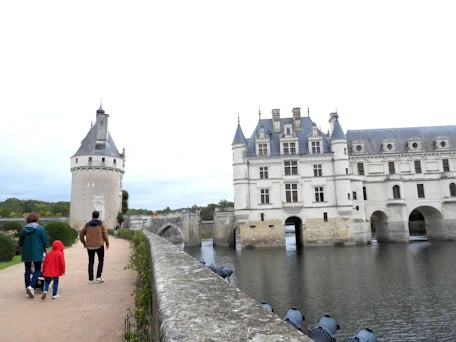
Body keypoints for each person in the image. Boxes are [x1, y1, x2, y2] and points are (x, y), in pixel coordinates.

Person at [19, 212, 48, 298]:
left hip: (26, 252)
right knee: (38, 270)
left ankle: (27, 291)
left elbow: (21, 241)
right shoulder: (40, 229)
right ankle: (31, 286)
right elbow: (45, 241)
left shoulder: (24, 229)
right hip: (37, 251)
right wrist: (43, 248)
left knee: (27, 270)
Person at [79, 211, 110, 284]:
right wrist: (107, 243)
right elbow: (105, 234)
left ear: (92, 216)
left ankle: (90, 279)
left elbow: (81, 234)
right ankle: (98, 276)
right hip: (99, 245)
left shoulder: (87, 224)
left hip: (90, 246)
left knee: (91, 262)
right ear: (98, 216)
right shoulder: (101, 224)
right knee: (101, 260)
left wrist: (84, 243)